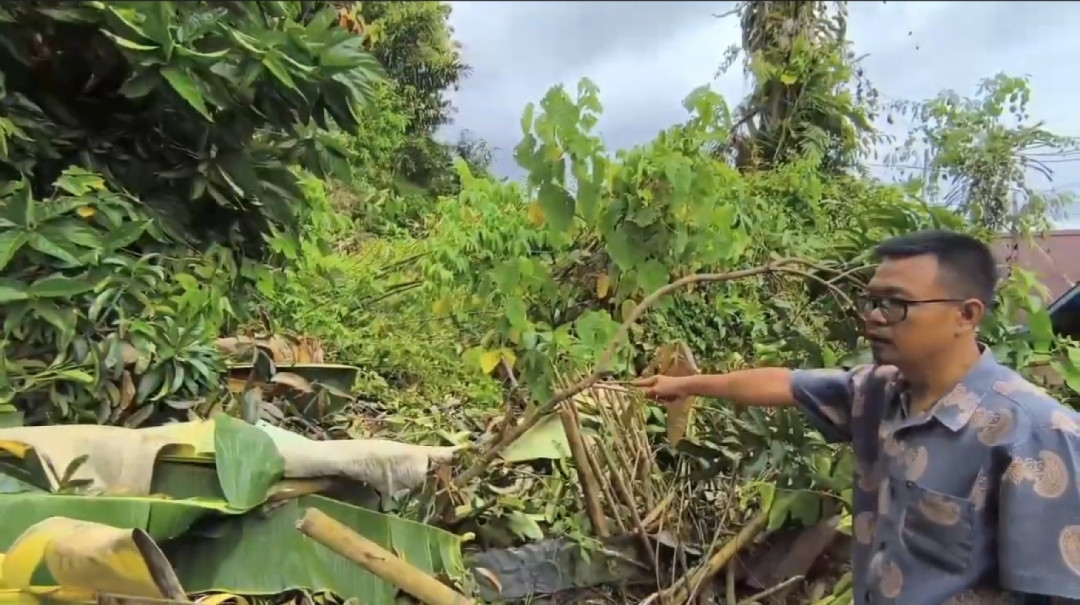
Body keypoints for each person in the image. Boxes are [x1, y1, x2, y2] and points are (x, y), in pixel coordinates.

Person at [633, 230, 1080, 604]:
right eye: (872, 302)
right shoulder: (877, 391)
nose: (874, 319)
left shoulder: (1034, 436)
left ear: (966, 314)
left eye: (896, 304)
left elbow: (1056, 591)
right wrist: (686, 384)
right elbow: (784, 383)